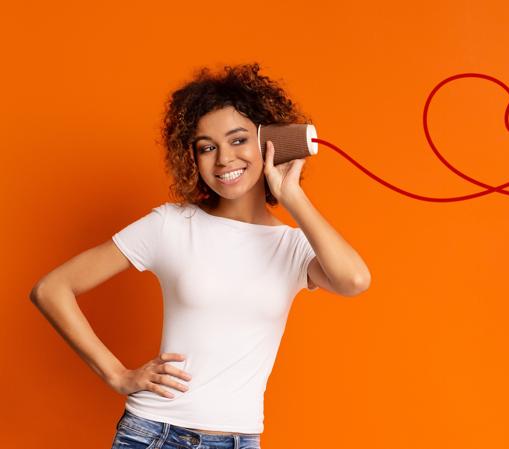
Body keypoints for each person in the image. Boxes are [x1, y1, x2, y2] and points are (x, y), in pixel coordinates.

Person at [29, 63, 371, 448]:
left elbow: (354, 280)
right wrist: (117, 375)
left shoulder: (291, 246)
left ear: (268, 142)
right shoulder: (171, 225)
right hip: (154, 434)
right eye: (207, 147)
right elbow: (52, 288)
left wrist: (292, 195)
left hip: (240, 439)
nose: (224, 158)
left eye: (238, 140)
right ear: (193, 157)